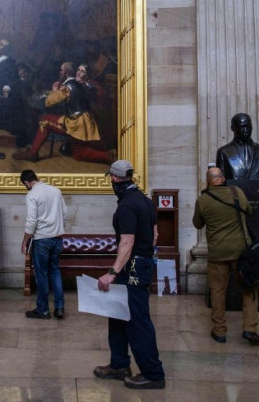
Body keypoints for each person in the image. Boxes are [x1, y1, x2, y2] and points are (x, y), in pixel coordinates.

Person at [94, 160, 165, 390]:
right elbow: (155, 235)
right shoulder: (145, 200)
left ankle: (153, 374)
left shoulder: (126, 206)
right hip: (141, 263)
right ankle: (119, 365)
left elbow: (127, 241)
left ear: (114, 179)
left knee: (137, 320)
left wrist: (112, 273)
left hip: (132, 267)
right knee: (117, 313)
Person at [192, 166, 259, 346]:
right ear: (222, 179)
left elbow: (198, 224)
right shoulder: (236, 192)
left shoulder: (203, 200)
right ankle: (250, 328)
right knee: (249, 289)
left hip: (217, 253)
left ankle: (219, 331)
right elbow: (250, 212)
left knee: (217, 291)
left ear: (208, 181)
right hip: (241, 252)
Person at [19, 169, 68, 320]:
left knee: (41, 275)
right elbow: (65, 213)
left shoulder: (32, 194)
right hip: (57, 238)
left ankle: (43, 310)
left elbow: (32, 221)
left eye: (25, 185)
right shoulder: (55, 191)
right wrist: (57, 229)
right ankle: (59, 308)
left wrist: (25, 241)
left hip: (41, 240)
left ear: (27, 182)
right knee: (55, 271)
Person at [215, 113, 259, 180]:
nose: (245, 130)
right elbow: (219, 183)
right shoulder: (224, 152)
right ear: (233, 128)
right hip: (234, 190)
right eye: (242, 127)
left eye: (248, 127)